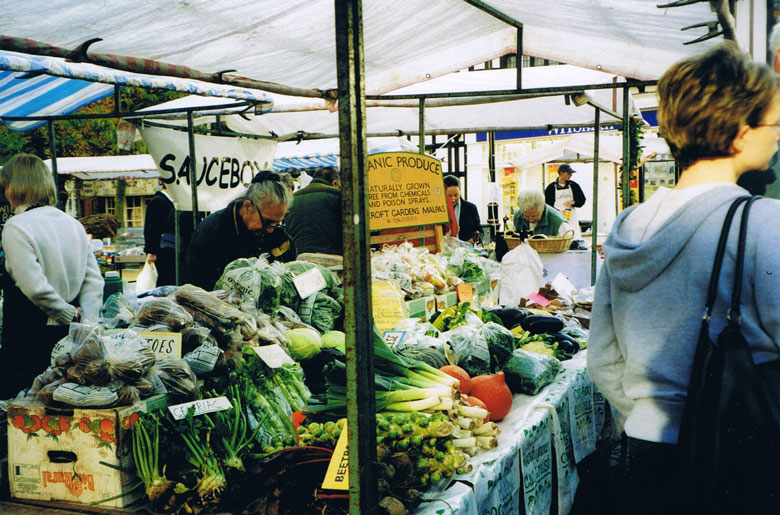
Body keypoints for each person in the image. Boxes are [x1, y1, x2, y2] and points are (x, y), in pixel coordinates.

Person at [587, 41, 780, 514]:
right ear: (739, 133)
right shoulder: (762, 222)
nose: (777, 137)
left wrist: (650, 415)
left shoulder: (628, 224)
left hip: (646, 449)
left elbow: (603, 359)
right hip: (738, 453)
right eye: (773, 125)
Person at [0, 154, 103, 399]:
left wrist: (63, 312)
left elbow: (34, 287)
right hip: (68, 335)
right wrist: (86, 323)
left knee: (26, 406)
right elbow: (93, 280)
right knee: (64, 401)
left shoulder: (17, 227)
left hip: (28, 332)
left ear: (14, 187)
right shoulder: (72, 224)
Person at [184, 170, 296, 290]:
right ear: (247, 207)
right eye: (266, 222)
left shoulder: (278, 235)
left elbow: (290, 272)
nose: (270, 230)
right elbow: (199, 287)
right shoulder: (211, 233)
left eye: (277, 223)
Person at [284, 166, 342, 255]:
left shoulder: (293, 198)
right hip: (330, 256)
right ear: (334, 183)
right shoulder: (336, 195)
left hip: (297, 256)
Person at [143, 183, 175, 286]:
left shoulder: (168, 201)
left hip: (167, 247)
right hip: (162, 249)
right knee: (164, 278)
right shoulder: (158, 201)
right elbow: (151, 228)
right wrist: (151, 251)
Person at [544, 163, 585, 238]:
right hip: (556, 216)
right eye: (569, 173)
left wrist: (573, 202)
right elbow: (547, 205)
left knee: (573, 235)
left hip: (571, 216)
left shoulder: (574, 186)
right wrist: (557, 211)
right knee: (559, 235)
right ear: (561, 173)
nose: (571, 175)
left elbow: (582, 200)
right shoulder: (550, 188)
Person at [443, 175, 481, 243]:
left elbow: (479, 230)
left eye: (456, 195)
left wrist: (474, 238)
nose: (453, 199)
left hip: (465, 249)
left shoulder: (470, 208)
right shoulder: (438, 210)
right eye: (449, 196)